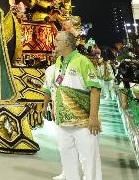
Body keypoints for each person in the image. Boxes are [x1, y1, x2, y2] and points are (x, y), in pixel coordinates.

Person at [43, 30, 103, 180]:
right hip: (63, 120)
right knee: (67, 155)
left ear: (67, 43)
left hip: (84, 121)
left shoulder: (82, 61)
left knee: (89, 159)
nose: (54, 42)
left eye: (57, 40)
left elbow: (95, 89)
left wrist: (93, 117)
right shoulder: (58, 62)